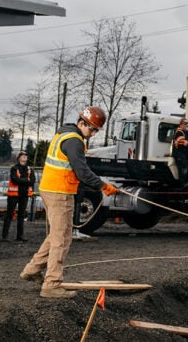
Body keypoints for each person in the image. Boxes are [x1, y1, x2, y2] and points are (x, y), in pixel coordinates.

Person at [19, 107, 119, 299]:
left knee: (58, 234)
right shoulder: (74, 141)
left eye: (96, 131)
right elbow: (82, 171)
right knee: (62, 239)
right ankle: (52, 284)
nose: (92, 134)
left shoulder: (64, 134)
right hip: (60, 192)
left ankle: (32, 269)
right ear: (82, 123)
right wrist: (103, 186)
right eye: (92, 130)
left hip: (53, 189)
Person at [2, 151, 34, 242]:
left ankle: (20, 236)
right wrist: (26, 180)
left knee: (21, 215)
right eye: (22, 155)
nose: (24, 157)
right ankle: (5, 236)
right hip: (14, 195)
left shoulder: (29, 169)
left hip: (24, 195)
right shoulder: (14, 168)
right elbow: (15, 180)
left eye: (25, 155)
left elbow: (32, 181)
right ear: (18, 158)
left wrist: (22, 180)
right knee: (9, 214)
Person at [172, 118, 188, 185]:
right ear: (181, 124)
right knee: (183, 167)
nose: (185, 125)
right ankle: (182, 183)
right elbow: (184, 143)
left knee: (186, 167)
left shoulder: (186, 131)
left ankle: (186, 182)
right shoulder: (179, 132)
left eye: (186, 124)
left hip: (184, 153)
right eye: (184, 124)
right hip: (179, 153)